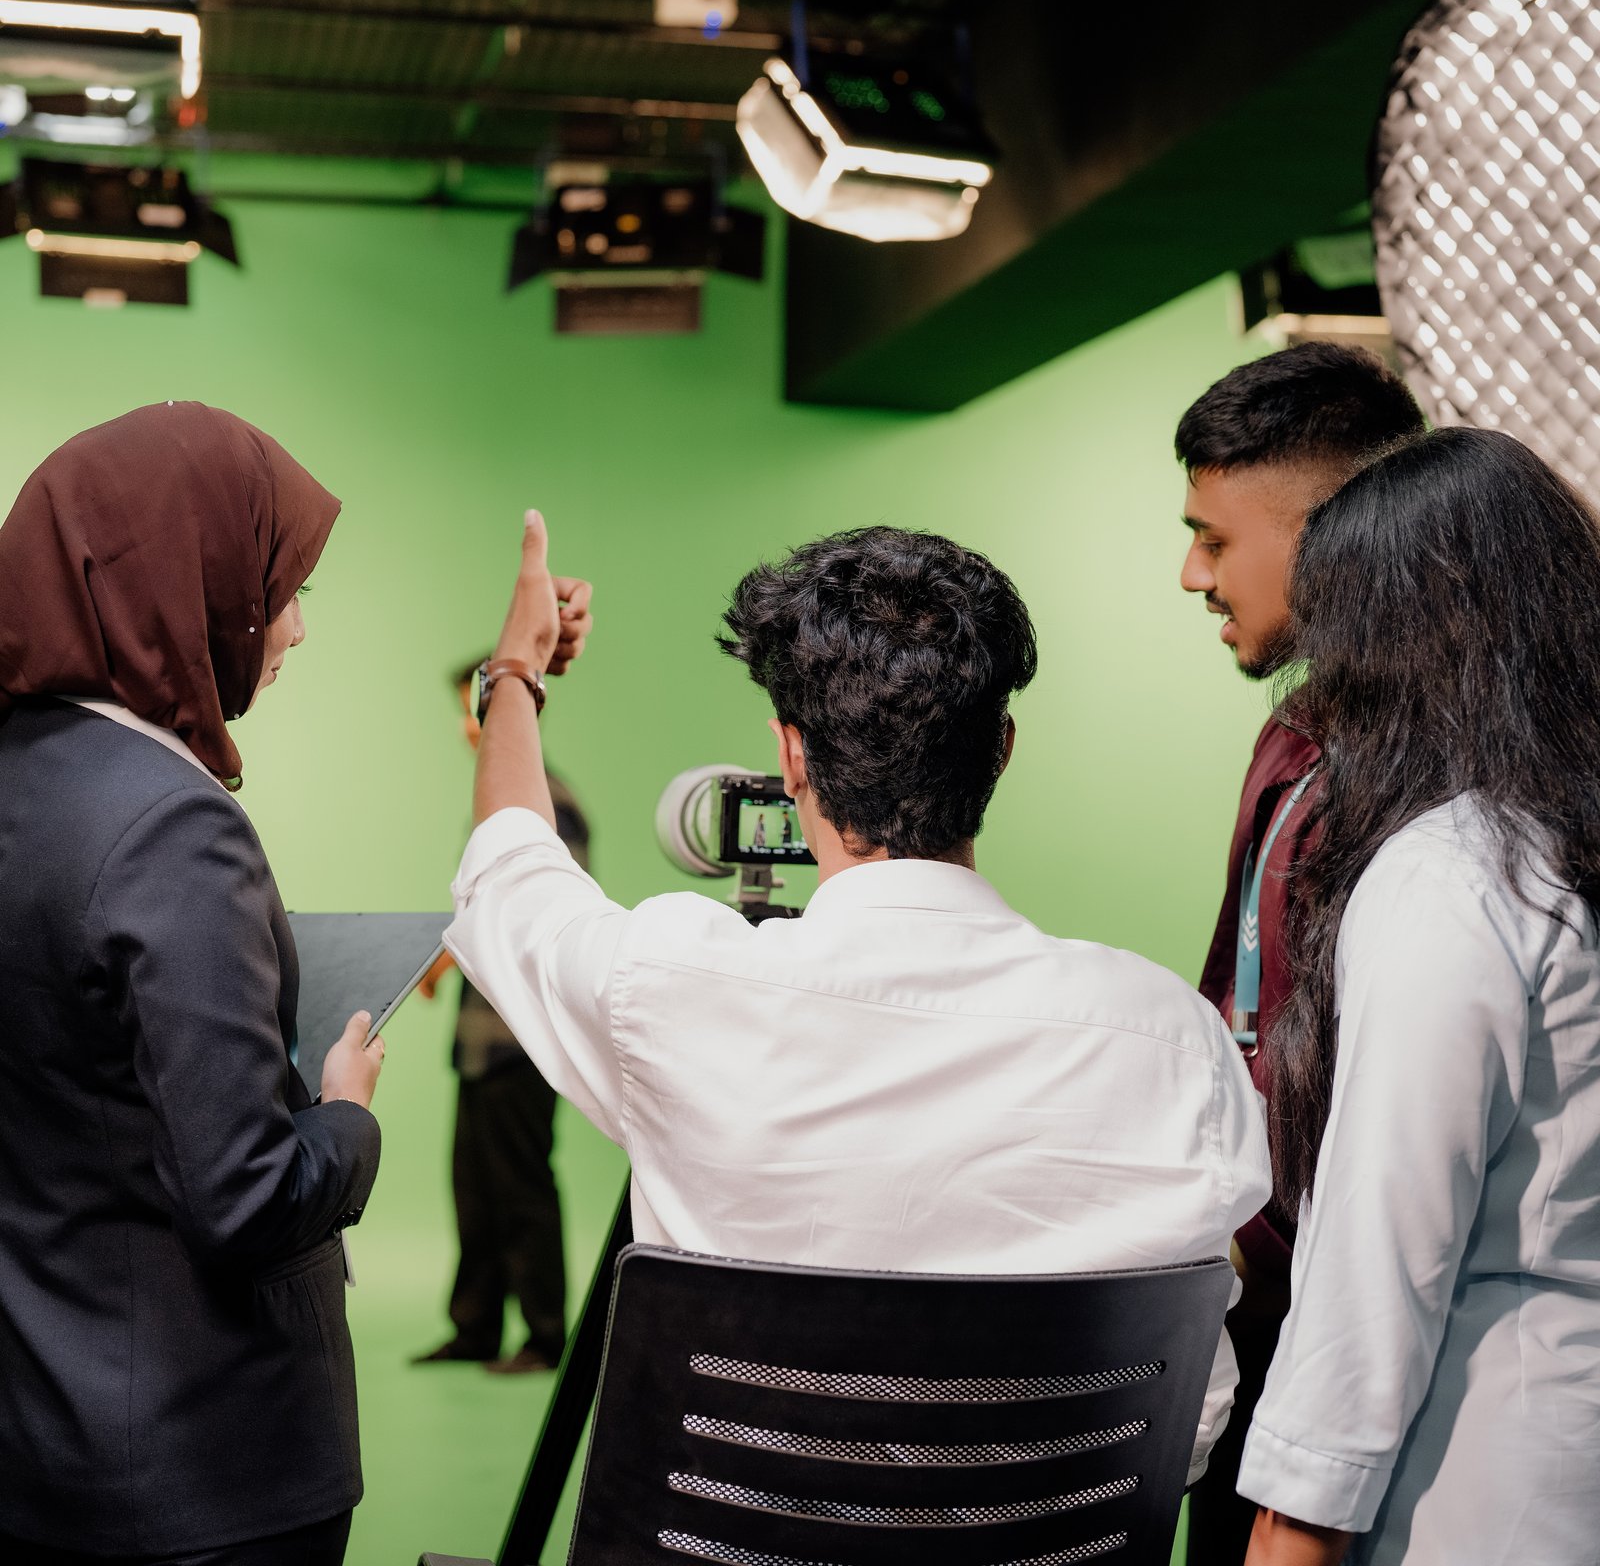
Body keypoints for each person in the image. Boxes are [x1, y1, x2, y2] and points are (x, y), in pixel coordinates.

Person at [446, 513, 1272, 1485]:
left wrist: (515, 673)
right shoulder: (1175, 1041)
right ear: (1000, 749)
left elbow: (509, 873)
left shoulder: (668, 985)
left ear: (791, 757)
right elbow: (1192, 1423)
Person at [0, 404, 386, 1565]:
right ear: (188, 579)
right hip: (203, 1476)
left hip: (41, 1444)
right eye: (280, 586)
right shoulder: (172, 824)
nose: (297, 624)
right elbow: (245, 1198)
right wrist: (347, 1115)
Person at [1236, 427, 1600, 1564]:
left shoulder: (1455, 871)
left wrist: (1290, 1532)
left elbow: (1382, 1243)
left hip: (1486, 1477)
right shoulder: (1564, 848)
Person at [1174, 344, 1425, 1565]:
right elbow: (1235, 1002)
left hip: (1366, 1335)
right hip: (1245, 1315)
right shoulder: (1292, 737)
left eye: (1213, 539)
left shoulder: (1445, 786)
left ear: (1330, 538)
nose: (1190, 574)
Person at [411, 657, 591, 1374]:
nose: (469, 727)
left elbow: (533, 915)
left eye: (479, 710)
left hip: (522, 1038)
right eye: (465, 711)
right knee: (475, 1188)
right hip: (481, 1037)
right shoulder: (502, 811)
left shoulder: (551, 809)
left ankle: (545, 1336)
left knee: (521, 1187)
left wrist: (446, 955)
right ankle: (476, 1326)